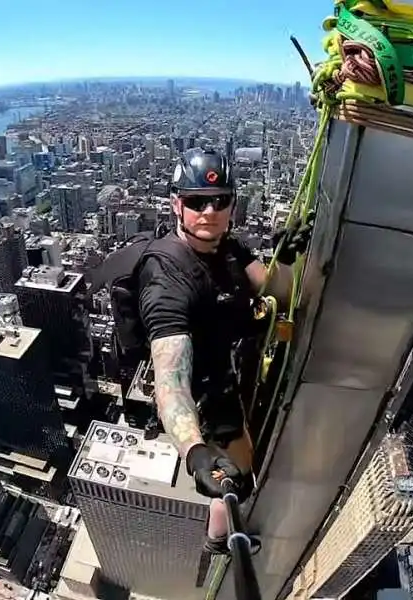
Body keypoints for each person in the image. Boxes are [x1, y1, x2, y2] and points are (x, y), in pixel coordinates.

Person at [137, 148, 312, 554]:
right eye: (196, 202)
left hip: (240, 379)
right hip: (209, 403)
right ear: (176, 204)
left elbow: (275, 292)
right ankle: (218, 538)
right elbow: (169, 378)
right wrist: (194, 450)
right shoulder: (166, 279)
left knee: (239, 471)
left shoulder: (230, 250)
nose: (210, 211)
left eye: (221, 201)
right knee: (234, 477)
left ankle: (221, 526)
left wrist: (285, 258)